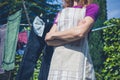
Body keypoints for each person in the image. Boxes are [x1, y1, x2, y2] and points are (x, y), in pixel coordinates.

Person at [45, 0, 99, 80]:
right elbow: (48, 40)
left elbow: (80, 32)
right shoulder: (61, 13)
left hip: (78, 59)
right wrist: (73, 35)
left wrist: (53, 35)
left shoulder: (91, 8)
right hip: (58, 61)